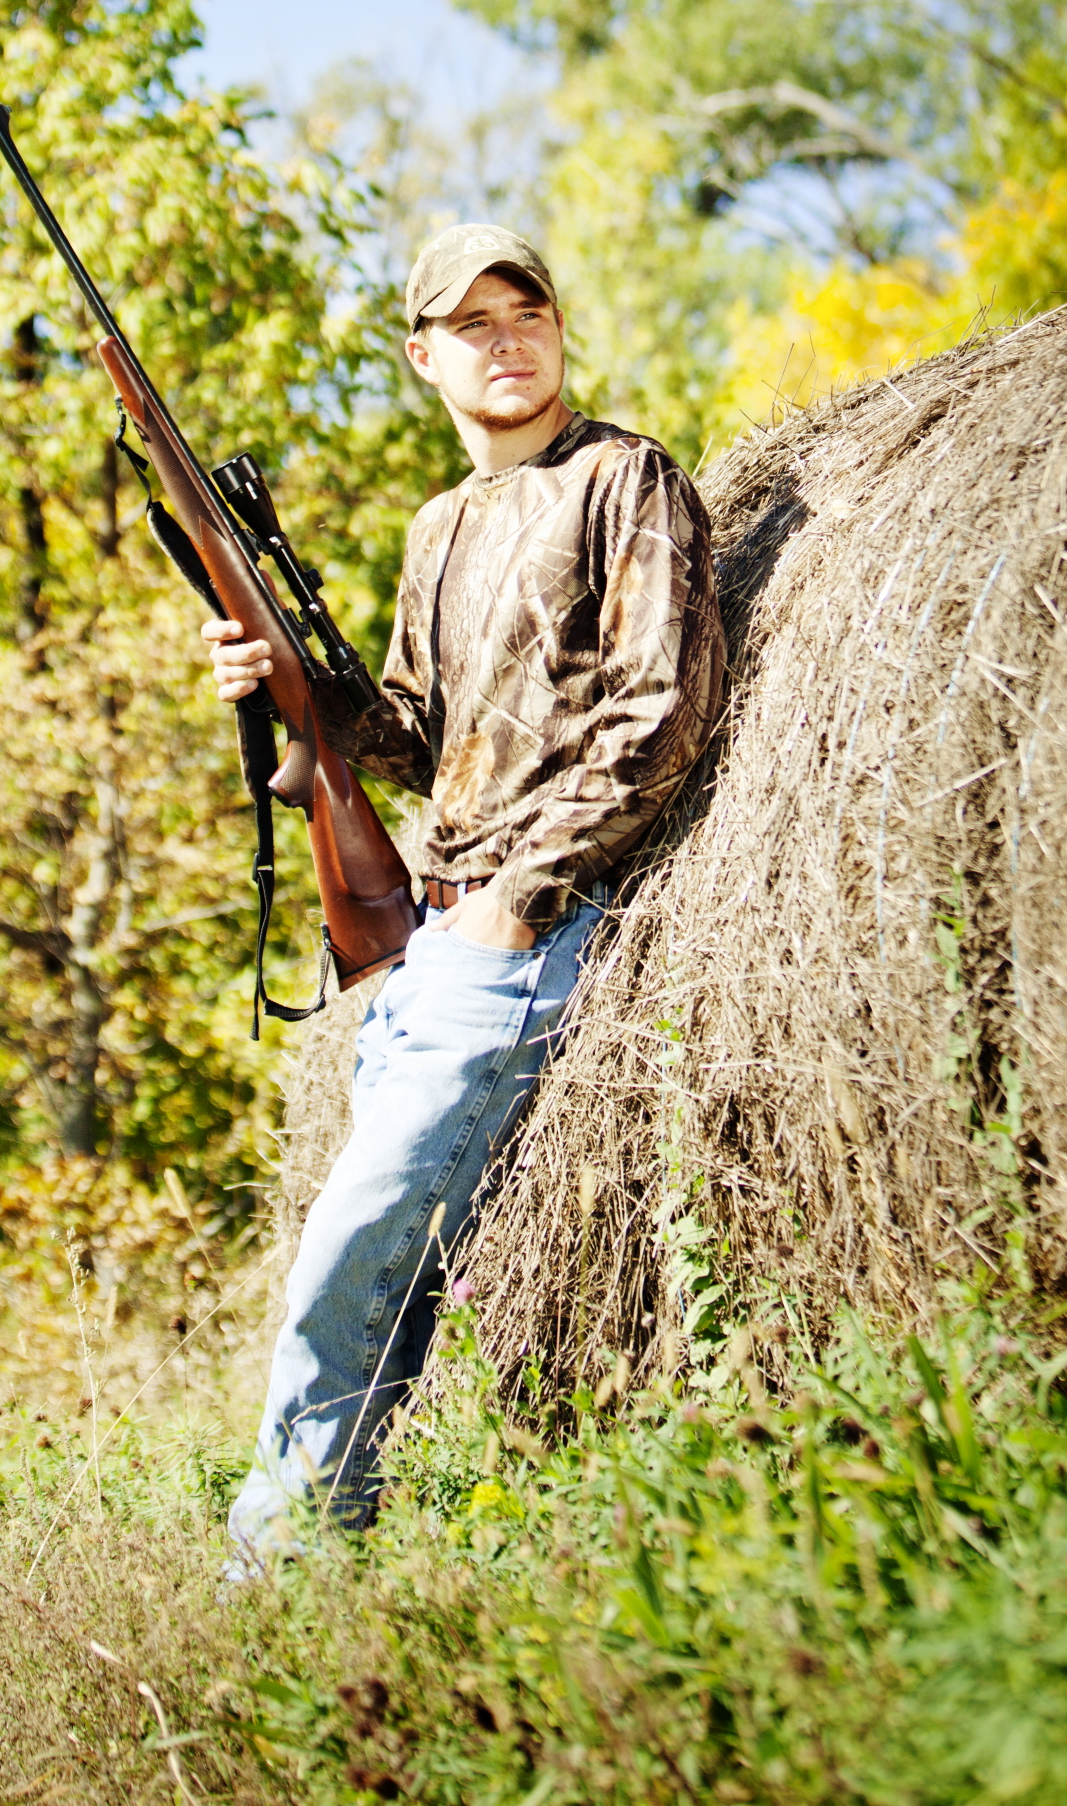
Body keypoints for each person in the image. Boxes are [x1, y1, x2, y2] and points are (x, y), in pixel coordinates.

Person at [202, 223, 725, 1565]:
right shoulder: (439, 527)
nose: (508, 341)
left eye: (526, 311)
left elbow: (663, 708)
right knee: (381, 1256)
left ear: (558, 328)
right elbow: (418, 735)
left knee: (357, 1236)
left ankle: (273, 1559)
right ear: (422, 356)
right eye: (473, 323)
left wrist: (524, 895)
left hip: (530, 924)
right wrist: (285, 684)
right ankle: (343, 1543)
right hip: (433, 930)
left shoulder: (622, 478)